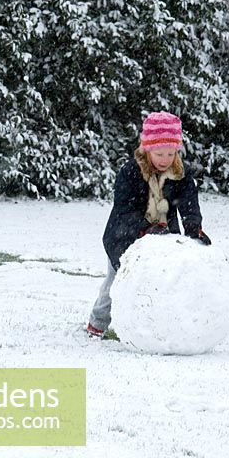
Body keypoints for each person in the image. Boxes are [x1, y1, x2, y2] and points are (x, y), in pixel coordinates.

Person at [86, 111, 211, 338]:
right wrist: (144, 228)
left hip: (164, 237)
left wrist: (193, 227)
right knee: (118, 280)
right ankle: (98, 323)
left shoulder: (180, 173)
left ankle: (154, 326)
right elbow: (124, 209)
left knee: (162, 282)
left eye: (171, 153)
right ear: (147, 149)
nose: (165, 159)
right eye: (159, 153)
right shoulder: (130, 172)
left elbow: (189, 201)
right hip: (125, 237)